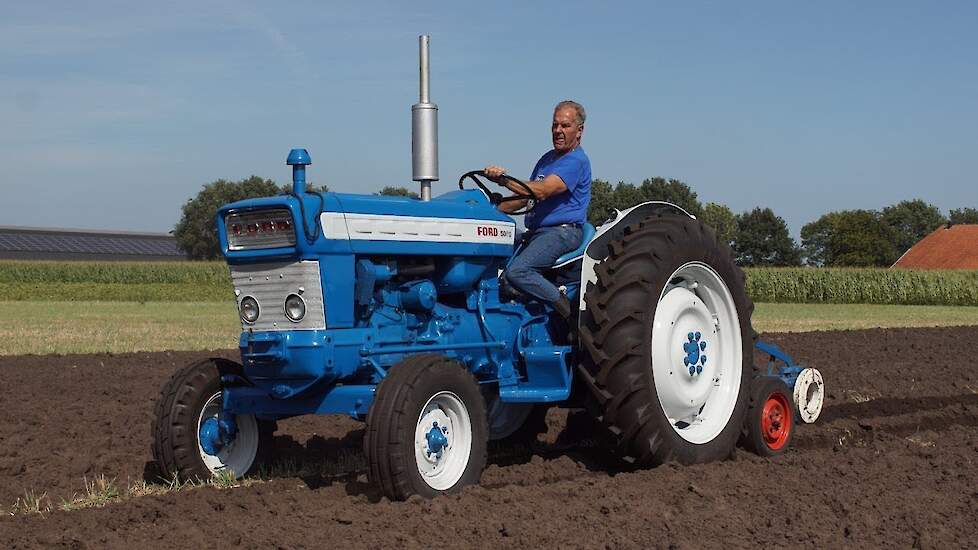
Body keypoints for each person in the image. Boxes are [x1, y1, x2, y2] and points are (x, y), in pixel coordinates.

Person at [485, 100, 592, 319]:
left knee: (518, 272)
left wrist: (504, 180)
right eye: (555, 125)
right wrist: (487, 209)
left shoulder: (576, 161)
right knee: (489, 258)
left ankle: (568, 315)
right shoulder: (547, 159)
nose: (558, 131)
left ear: (579, 131)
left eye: (565, 126)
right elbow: (524, 197)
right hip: (535, 233)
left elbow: (541, 191)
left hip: (562, 232)